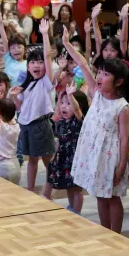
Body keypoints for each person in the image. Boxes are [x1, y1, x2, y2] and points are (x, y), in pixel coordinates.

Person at [65, 27, 129, 233]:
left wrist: (121, 166)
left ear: (118, 81)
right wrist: (67, 44)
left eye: (106, 74)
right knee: (100, 195)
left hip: (111, 157)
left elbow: (124, 139)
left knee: (112, 197)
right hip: (95, 154)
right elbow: (82, 63)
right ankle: (106, 231)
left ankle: (116, 234)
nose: (99, 77)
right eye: (100, 72)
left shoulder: (122, 106)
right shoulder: (96, 93)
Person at [11, 19, 56, 193]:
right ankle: (30, 190)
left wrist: (44, 34)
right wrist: (14, 97)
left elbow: (48, 56)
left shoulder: (46, 82)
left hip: (41, 125)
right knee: (31, 160)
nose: (36, 65)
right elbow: (19, 107)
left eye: (40, 62)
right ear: (28, 66)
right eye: (32, 62)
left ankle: (48, 193)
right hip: (26, 125)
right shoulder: (26, 85)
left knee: (48, 161)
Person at [47, 84, 87, 212]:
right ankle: (71, 208)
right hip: (64, 159)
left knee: (76, 189)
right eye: (62, 103)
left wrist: (70, 95)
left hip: (76, 160)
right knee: (69, 187)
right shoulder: (61, 123)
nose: (64, 106)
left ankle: (77, 212)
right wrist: (54, 156)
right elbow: (60, 140)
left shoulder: (79, 121)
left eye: (68, 103)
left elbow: (77, 110)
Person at [0, 98, 22, 184]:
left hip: (4, 168)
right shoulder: (16, 126)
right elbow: (9, 109)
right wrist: (10, 96)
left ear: (0, 115)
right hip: (15, 165)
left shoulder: (3, 128)